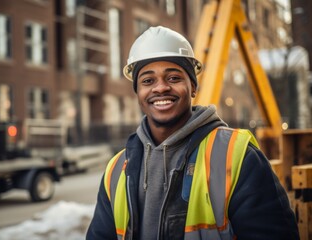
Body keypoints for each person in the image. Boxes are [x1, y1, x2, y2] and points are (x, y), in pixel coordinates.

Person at [87, 26, 299, 240]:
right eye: (148, 81)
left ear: (193, 88)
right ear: (138, 92)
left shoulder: (236, 155)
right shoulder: (116, 170)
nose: (160, 88)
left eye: (173, 78)